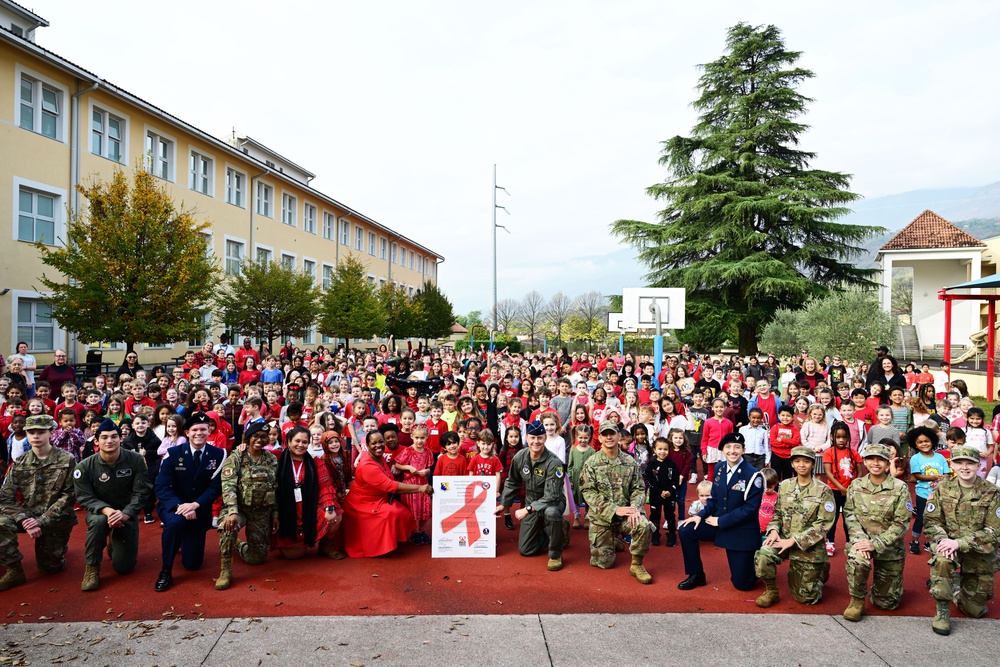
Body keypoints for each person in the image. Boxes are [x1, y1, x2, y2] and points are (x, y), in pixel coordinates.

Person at [923, 445, 1000, 635]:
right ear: (952, 465)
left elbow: (994, 530)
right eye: (959, 462)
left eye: (970, 463)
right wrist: (944, 541)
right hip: (948, 546)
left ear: (979, 465)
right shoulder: (942, 489)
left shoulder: (992, 492)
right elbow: (931, 521)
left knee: (975, 611)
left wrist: (959, 542)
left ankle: (955, 586)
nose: (964, 467)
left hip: (978, 551)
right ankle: (942, 610)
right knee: (943, 558)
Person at [0, 415, 78, 591]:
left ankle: (58, 548)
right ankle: (14, 570)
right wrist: (23, 519)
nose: (36, 436)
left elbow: (70, 496)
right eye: (31, 432)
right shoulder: (19, 462)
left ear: (51, 433)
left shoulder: (67, 460)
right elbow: (4, 497)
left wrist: (41, 521)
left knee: (50, 568)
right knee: (0, 523)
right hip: (28, 515)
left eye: (41, 432)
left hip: (56, 518)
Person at [678, 432, 764, 591]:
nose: (732, 451)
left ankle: (756, 568)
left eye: (737, 447)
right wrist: (700, 516)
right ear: (722, 451)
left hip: (740, 530)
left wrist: (720, 521)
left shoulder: (753, 475)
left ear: (743, 450)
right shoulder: (719, 468)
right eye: (728, 447)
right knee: (686, 530)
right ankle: (696, 575)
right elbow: (715, 500)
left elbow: (749, 509)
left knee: (742, 585)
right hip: (719, 525)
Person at [73, 419, 152, 591]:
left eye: (114, 436)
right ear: (96, 441)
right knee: (99, 522)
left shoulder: (136, 460)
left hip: (126, 513)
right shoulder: (85, 466)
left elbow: (142, 491)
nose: (110, 441)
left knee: (124, 568)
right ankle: (92, 568)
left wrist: (126, 513)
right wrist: (108, 511)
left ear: (120, 438)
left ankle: (113, 543)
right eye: (104, 437)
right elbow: (84, 497)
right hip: (99, 511)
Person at [754, 447, 836, 607]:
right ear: (792, 464)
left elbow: (823, 525)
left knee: (806, 599)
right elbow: (777, 513)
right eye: (797, 461)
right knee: (763, 554)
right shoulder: (784, 486)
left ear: (813, 464)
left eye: (806, 461)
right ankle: (771, 591)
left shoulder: (823, 490)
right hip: (782, 539)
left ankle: (820, 571)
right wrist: (772, 530)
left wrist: (793, 540)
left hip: (808, 546)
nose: (802, 465)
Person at [153, 412, 226, 592]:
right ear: (187, 432)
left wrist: (195, 505)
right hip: (173, 507)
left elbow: (215, 487)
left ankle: (185, 540)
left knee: (192, 565)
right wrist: (181, 507)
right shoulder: (173, 453)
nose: (199, 433)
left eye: (203, 429)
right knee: (176, 523)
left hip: (199, 509)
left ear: (209, 431)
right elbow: (161, 486)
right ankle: (166, 571)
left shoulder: (219, 454)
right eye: (194, 430)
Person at [841, 443, 911, 622]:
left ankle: (883, 588)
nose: (876, 463)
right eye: (871, 459)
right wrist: (861, 540)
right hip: (862, 542)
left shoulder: (900, 488)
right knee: (857, 561)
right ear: (864, 461)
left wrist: (876, 543)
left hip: (889, 548)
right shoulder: (855, 486)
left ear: (888, 464)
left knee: (887, 603)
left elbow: (901, 523)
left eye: (881, 459)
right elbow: (849, 515)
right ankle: (857, 600)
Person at [579, 420, 654, 584]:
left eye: (612, 433)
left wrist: (635, 508)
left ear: (619, 436)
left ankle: (637, 564)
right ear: (599, 438)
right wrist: (614, 509)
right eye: (605, 434)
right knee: (604, 563)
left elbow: (639, 488)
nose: (609, 437)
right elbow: (588, 492)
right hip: (602, 516)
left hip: (626, 514)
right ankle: (611, 540)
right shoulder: (591, 463)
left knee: (643, 526)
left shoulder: (630, 462)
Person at [342, 430, 432, 557]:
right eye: (374, 443)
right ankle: (377, 547)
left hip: (380, 498)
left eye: (380, 442)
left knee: (404, 513)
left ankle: (391, 540)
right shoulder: (367, 465)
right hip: (362, 504)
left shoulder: (380, 457)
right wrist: (419, 488)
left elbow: (388, 479)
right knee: (390, 514)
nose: (378, 445)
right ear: (367, 446)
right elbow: (389, 485)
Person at [494, 420, 569, 571]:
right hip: (532, 500)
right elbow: (512, 481)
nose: (536, 441)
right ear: (527, 438)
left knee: (551, 513)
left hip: (553, 501)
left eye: (540, 438)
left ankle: (555, 553)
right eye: (532, 438)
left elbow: (551, 496)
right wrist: (504, 503)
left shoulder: (554, 462)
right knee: (525, 550)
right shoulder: (520, 457)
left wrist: (527, 509)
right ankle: (556, 532)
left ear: (545, 438)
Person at [215, 421, 279, 590]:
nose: (259, 440)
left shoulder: (271, 459)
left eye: (264, 437)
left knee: (256, 559)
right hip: (238, 508)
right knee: (229, 527)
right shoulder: (236, 457)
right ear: (248, 438)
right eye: (256, 436)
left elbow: (276, 486)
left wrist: (275, 513)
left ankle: (239, 545)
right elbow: (228, 485)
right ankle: (226, 570)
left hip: (261, 511)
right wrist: (232, 511)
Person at [274, 426, 343, 560]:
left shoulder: (316, 463)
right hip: (285, 511)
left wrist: (329, 508)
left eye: (304, 442)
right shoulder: (276, 459)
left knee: (336, 515)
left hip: (308, 509)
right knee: (293, 556)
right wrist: (243, 446)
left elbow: (326, 487)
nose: (300, 445)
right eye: (297, 441)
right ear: (289, 441)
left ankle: (325, 546)